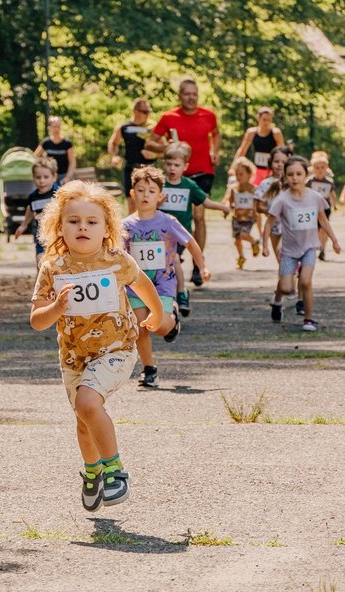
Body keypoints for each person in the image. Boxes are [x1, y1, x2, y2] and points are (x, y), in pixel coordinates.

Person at [30, 180, 170, 511]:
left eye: (92, 222)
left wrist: (157, 311)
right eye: (73, 221)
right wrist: (56, 309)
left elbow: (142, 283)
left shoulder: (116, 260)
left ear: (107, 228)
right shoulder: (52, 268)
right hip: (74, 357)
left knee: (88, 401)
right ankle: (92, 473)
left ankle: (115, 471)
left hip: (116, 350)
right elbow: (37, 320)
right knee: (83, 417)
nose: (82, 227)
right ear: (58, 226)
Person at [123, 165, 208, 387]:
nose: (145, 195)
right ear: (133, 194)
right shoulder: (125, 225)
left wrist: (203, 267)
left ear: (160, 196)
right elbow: (116, 255)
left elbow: (190, 243)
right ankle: (148, 369)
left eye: (151, 191)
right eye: (140, 190)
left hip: (163, 284)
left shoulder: (167, 221)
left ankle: (173, 320)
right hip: (136, 285)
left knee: (159, 327)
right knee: (140, 327)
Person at [146, 79, 221, 286]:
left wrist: (216, 151)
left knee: (199, 214)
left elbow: (216, 134)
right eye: (187, 94)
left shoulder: (208, 115)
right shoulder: (169, 117)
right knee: (174, 216)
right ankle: (174, 252)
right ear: (180, 95)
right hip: (176, 172)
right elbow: (150, 143)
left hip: (203, 170)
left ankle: (198, 264)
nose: (191, 97)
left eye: (194, 94)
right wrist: (168, 147)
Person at [262, 156, 341, 331]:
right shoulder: (282, 199)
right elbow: (268, 222)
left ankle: (308, 319)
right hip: (289, 250)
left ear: (306, 175)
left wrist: (334, 240)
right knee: (287, 287)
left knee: (305, 281)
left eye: (299, 174)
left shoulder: (315, 197)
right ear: (285, 176)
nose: (295, 178)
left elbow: (323, 220)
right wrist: (265, 245)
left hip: (309, 247)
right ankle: (277, 301)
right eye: (290, 174)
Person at [159, 142, 230, 317]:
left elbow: (205, 202)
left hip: (179, 234)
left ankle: (182, 293)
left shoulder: (189, 185)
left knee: (174, 260)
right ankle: (164, 298)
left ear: (185, 167)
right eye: (169, 164)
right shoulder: (159, 185)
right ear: (164, 164)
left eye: (176, 165)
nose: (172, 168)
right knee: (166, 267)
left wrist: (223, 207)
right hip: (158, 234)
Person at [107, 98, 156, 212]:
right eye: (144, 111)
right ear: (135, 111)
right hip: (130, 168)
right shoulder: (124, 127)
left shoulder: (152, 127)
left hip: (149, 168)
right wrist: (114, 156)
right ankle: (131, 229)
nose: (147, 114)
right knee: (132, 205)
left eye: (148, 111)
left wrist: (155, 154)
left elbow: (163, 147)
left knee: (148, 205)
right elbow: (113, 143)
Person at [13, 156, 58, 268]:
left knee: (57, 263)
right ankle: (41, 284)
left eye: (46, 177)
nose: (42, 181)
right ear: (33, 178)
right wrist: (23, 225)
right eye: (38, 177)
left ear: (54, 177)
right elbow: (30, 209)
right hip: (41, 235)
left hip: (57, 235)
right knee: (40, 261)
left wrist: (47, 215)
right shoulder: (33, 196)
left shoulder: (58, 193)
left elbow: (65, 209)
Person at [233, 106, 285, 184]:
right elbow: (242, 150)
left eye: (269, 120)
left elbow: (283, 152)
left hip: (271, 170)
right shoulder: (251, 133)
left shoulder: (276, 133)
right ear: (258, 118)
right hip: (256, 170)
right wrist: (233, 167)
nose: (266, 123)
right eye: (264, 119)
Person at [226, 157, 260, 269]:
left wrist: (255, 213)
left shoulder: (253, 189)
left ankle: (254, 241)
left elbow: (257, 203)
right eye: (236, 174)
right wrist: (227, 208)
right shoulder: (234, 188)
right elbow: (229, 201)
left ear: (249, 174)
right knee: (237, 240)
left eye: (241, 174)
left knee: (243, 234)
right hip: (237, 217)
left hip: (248, 218)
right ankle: (241, 257)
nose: (238, 177)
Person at [306, 151, 337, 260]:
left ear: (326, 168)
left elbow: (332, 194)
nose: (320, 170)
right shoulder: (309, 181)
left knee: (324, 229)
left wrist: (335, 204)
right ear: (313, 168)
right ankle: (313, 246)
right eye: (317, 167)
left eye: (322, 167)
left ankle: (322, 249)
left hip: (325, 208)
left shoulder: (329, 182)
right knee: (314, 229)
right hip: (312, 209)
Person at [35, 116, 76, 183]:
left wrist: (68, 177)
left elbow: (72, 162)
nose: (56, 129)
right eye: (54, 127)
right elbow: (35, 156)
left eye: (58, 126)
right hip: (50, 175)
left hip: (64, 176)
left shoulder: (67, 143)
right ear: (49, 128)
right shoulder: (46, 142)